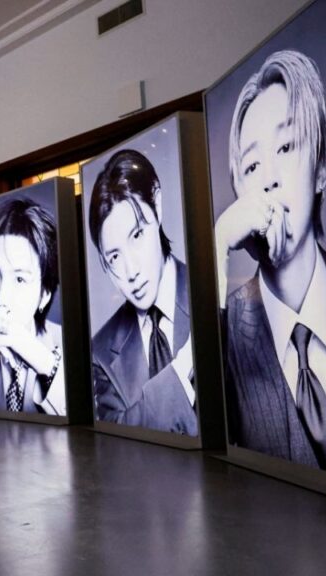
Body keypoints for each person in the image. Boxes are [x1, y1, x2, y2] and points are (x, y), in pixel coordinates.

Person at [214, 50, 326, 478]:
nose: (270, 178)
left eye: (285, 146)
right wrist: (217, 244)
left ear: (320, 168)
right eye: (253, 164)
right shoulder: (222, 332)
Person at [87, 149, 197, 435]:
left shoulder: (214, 299)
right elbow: (117, 441)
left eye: (137, 235)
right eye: (113, 257)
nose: (131, 270)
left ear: (157, 206)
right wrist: (182, 370)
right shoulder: (100, 351)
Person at [0, 199, 65, 414]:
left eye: (20, 279)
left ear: (44, 294)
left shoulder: (71, 346)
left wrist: (45, 363)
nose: (1, 298)